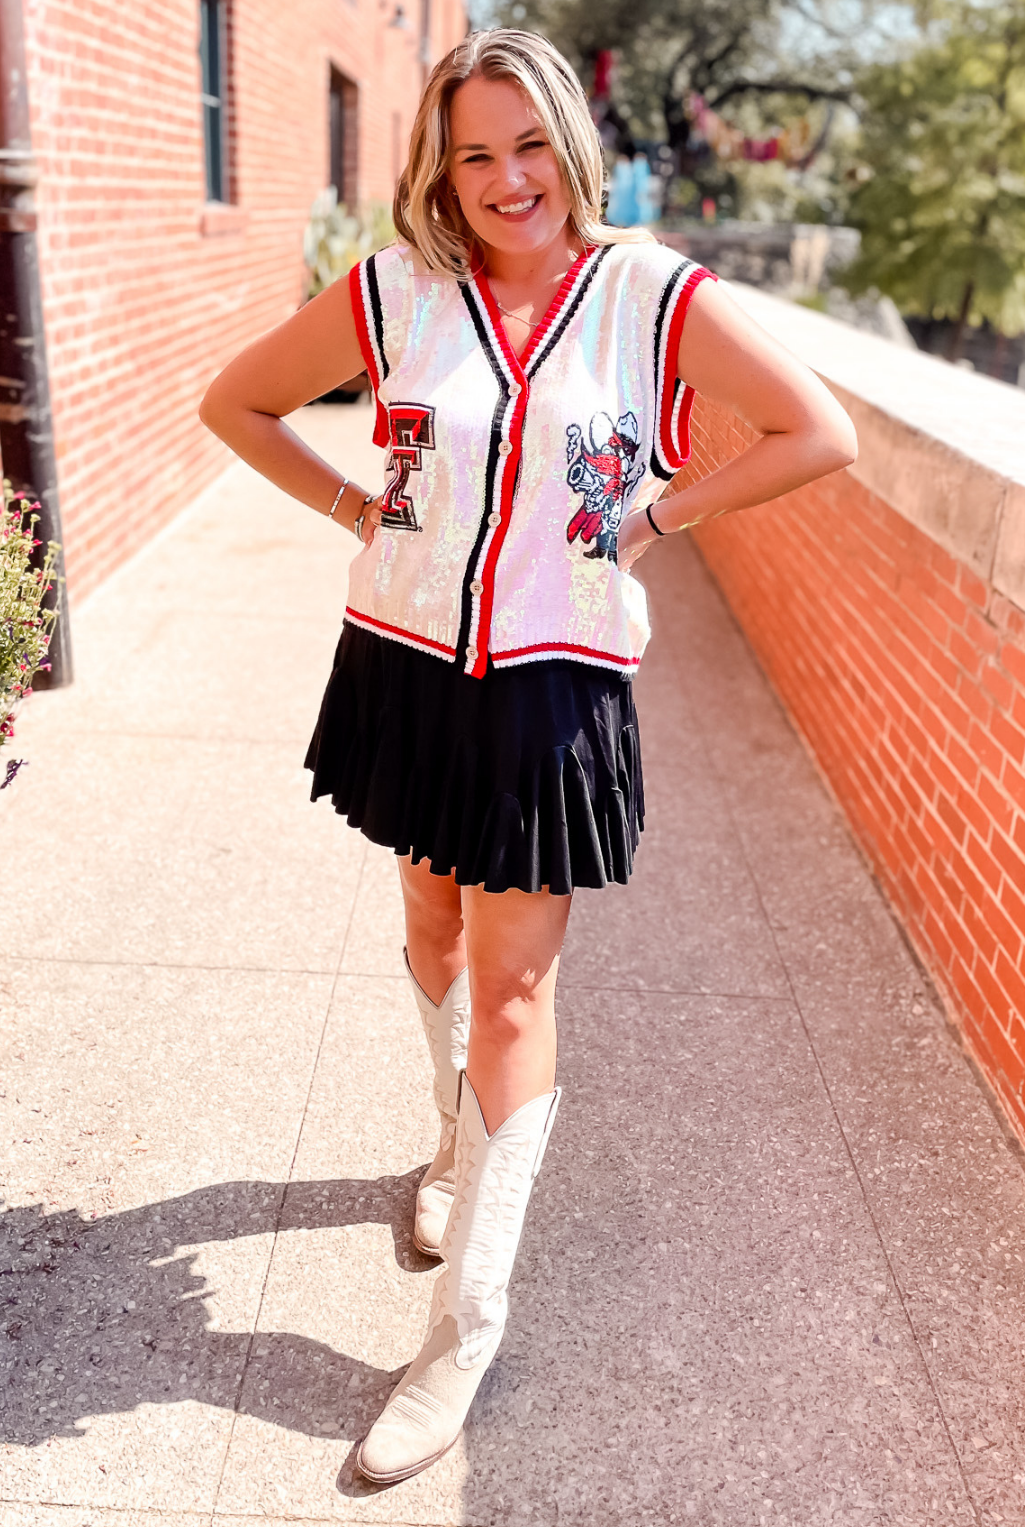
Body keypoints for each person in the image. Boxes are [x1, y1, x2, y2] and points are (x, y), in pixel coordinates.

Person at [199, 27, 856, 1485]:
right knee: (429, 916)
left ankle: (461, 1332)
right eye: (472, 151)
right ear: (442, 165)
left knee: (516, 981)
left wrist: (655, 518)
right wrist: (350, 510)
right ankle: (447, 1150)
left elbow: (822, 431)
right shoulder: (397, 291)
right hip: (410, 669)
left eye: (528, 144)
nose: (506, 179)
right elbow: (234, 402)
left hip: (554, 690)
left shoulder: (651, 296)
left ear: (574, 140)